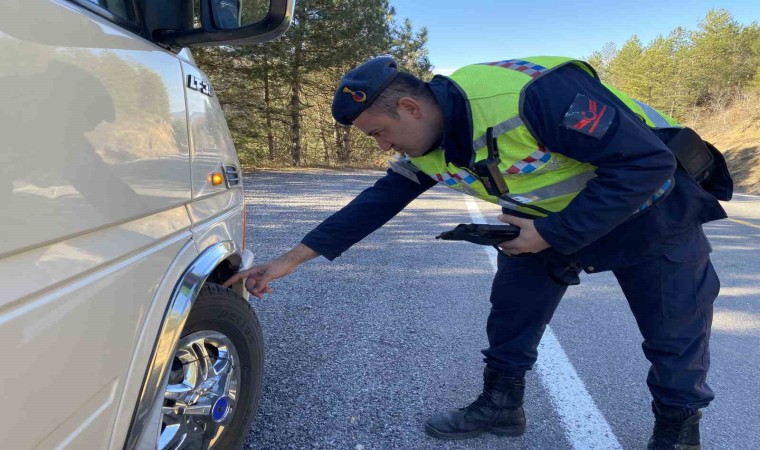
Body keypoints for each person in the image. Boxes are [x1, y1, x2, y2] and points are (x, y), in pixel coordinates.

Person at [224, 55, 733, 449]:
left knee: (674, 333)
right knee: (513, 307)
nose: (382, 146)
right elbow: (378, 201)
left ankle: (676, 433)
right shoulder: (428, 142)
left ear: (409, 107)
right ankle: (502, 406)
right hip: (549, 221)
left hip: (654, 210)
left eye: (379, 132)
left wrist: (552, 234)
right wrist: (291, 258)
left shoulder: (533, 95)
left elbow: (647, 164)